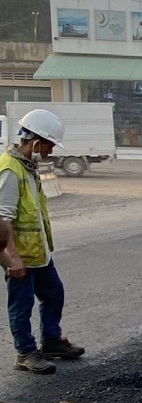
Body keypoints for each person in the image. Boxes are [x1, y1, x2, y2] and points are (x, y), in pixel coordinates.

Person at [0, 109, 85, 374]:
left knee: (53, 294)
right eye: (49, 146)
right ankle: (25, 353)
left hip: (39, 254)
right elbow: (2, 217)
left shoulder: (29, 168)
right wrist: (10, 257)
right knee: (21, 305)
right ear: (36, 142)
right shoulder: (10, 170)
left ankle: (51, 342)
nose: (50, 152)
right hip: (21, 256)